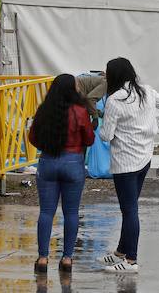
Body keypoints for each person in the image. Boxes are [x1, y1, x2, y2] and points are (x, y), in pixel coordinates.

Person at [98, 58, 159, 273]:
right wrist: (154, 130)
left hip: (125, 162)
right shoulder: (146, 91)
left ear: (113, 76)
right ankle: (120, 253)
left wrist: (103, 120)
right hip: (144, 157)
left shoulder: (115, 100)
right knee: (130, 207)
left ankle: (131, 260)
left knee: (129, 209)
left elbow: (106, 135)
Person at [28, 74, 94, 274]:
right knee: (71, 212)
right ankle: (67, 258)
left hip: (48, 161)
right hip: (73, 162)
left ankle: (42, 257)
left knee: (46, 212)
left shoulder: (44, 111)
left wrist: (48, 147)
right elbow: (89, 139)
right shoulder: (80, 111)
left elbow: (32, 137)